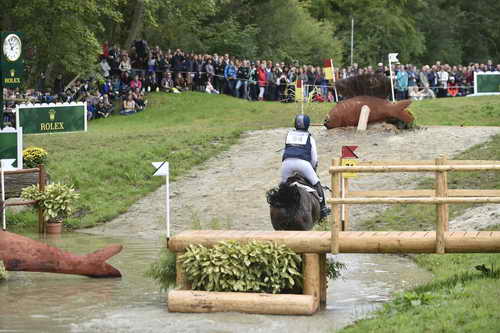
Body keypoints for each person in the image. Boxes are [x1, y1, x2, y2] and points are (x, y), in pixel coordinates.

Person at [281, 114, 331, 219]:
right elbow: (314, 159)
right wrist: (313, 169)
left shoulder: (288, 135)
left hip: (286, 163)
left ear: (295, 124)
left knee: (283, 187)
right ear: (307, 125)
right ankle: (322, 209)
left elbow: (284, 153)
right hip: (303, 164)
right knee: (316, 183)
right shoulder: (310, 138)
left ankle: (280, 206)